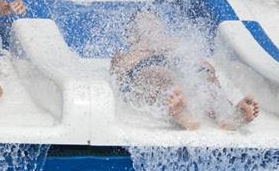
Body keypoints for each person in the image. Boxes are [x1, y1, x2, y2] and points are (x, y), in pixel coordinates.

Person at [110, 8, 259, 130]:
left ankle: (228, 116)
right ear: (131, 36)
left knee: (205, 78)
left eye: (153, 22)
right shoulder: (126, 53)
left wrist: (205, 70)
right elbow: (118, 73)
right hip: (146, 71)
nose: (150, 25)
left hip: (177, 71)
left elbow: (201, 64)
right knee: (161, 75)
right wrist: (145, 50)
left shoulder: (173, 43)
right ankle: (180, 112)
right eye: (143, 22)